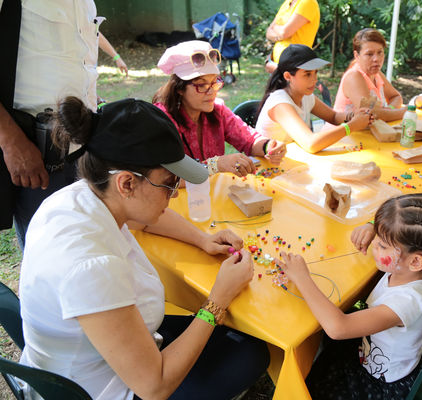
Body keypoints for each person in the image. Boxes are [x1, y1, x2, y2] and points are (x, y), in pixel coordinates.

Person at [19, 97, 269, 400]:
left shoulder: (81, 195)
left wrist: (202, 239)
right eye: (169, 183)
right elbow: (155, 386)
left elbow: (145, 220)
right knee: (250, 352)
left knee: (234, 339)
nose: (174, 193)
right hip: (102, 388)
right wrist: (217, 300)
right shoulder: (92, 267)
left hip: (99, 357)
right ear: (126, 184)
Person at [276, 194, 422, 399]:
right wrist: (375, 227)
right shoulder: (412, 270)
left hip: (381, 380)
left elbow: (338, 328)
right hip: (372, 349)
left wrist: (302, 278)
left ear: (415, 262)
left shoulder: (406, 302)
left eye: (382, 245)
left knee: (318, 383)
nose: (374, 245)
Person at [0, 0, 102, 248]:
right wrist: (11, 141)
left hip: (85, 144)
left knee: (85, 243)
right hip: (35, 150)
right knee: (49, 250)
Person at [153, 40, 287, 177]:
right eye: (202, 85)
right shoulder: (162, 120)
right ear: (179, 88)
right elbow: (164, 176)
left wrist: (268, 146)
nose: (211, 91)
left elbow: (249, 139)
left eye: (214, 82)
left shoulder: (217, 109)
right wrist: (215, 165)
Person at [256, 44, 371, 154]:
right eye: (307, 74)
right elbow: (310, 143)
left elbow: (333, 117)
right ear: (288, 76)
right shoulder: (280, 104)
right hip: (269, 166)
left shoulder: (306, 96)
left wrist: (353, 115)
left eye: (315, 73)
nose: (314, 79)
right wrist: (351, 126)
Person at [333, 28, 407, 122]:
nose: (376, 59)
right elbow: (370, 114)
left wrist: (390, 109)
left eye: (380, 52)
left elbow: (396, 97)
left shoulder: (377, 74)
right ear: (357, 55)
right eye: (369, 54)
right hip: (344, 135)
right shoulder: (354, 76)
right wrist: (405, 112)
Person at [265, 0, 320, 73]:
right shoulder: (288, 2)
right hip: (278, 66)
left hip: (294, 68)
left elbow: (284, 33)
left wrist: (277, 31)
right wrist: (280, 35)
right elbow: (268, 32)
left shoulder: (308, 2)